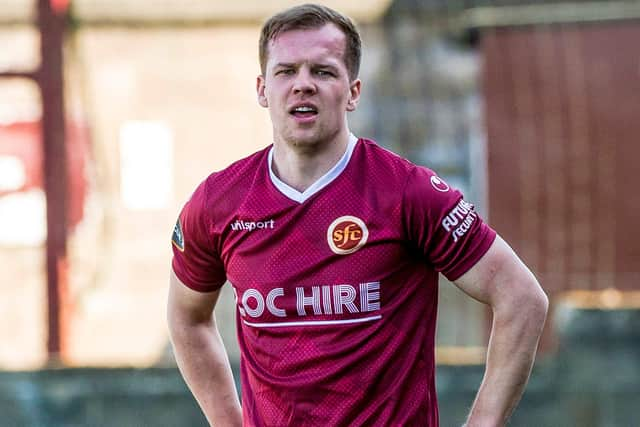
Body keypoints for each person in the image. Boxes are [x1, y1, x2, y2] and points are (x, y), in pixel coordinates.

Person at [167, 4, 548, 426]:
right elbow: (187, 317)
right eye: (286, 71)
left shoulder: (407, 192)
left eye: (323, 71)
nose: (303, 85)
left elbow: (521, 298)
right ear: (262, 89)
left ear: (353, 92)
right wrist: (228, 421)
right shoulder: (220, 203)